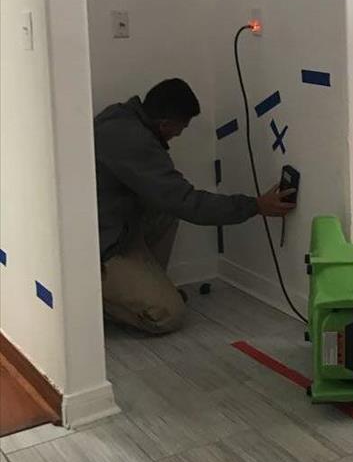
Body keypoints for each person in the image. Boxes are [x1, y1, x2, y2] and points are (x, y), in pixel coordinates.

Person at [94, 78, 294, 334]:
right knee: (168, 315)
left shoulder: (122, 117)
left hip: (112, 227)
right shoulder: (132, 141)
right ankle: (96, 297)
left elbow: (172, 200)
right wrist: (255, 205)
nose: (179, 134)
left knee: (165, 209)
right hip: (102, 245)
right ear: (164, 123)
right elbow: (188, 203)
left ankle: (140, 288)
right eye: (181, 128)